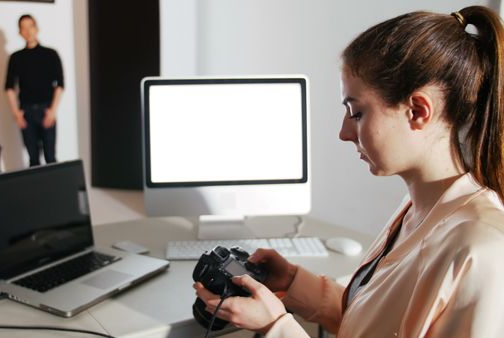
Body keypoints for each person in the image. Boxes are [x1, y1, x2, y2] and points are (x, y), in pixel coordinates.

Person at [194, 5, 504, 337]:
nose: (343, 132)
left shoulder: (480, 249)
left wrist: (276, 326)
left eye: (356, 112)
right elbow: (376, 326)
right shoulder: (417, 209)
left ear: (417, 111)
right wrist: (294, 283)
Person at [5, 14, 64, 167]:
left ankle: (54, 190)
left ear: (36, 28)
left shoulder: (50, 54)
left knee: (50, 157)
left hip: (46, 110)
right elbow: (9, 87)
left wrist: (53, 110)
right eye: (23, 28)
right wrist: (16, 113)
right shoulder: (16, 58)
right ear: (19, 32)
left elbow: (60, 84)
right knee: (33, 160)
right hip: (27, 113)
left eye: (30, 26)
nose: (28, 31)